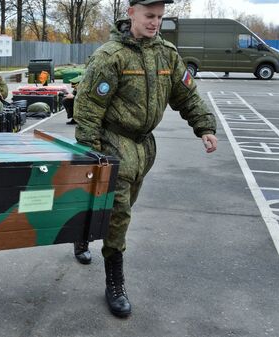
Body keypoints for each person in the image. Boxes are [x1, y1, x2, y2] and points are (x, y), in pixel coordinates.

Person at [73, 0, 218, 319]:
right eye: (149, 16)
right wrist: (90, 150)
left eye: (160, 17)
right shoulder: (111, 56)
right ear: (131, 13)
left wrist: (204, 127)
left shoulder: (166, 54)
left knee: (114, 208)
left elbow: (186, 95)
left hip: (144, 148)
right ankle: (115, 282)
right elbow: (87, 108)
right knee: (119, 213)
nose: (155, 23)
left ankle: (82, 236)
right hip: (112, 144)